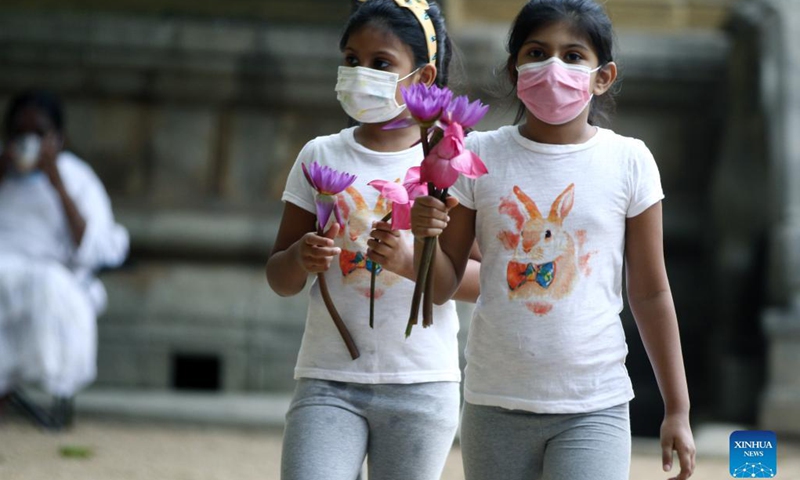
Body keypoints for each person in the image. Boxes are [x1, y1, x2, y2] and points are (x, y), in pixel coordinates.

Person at [410, 1, 696, 479]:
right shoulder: (475, 155)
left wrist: (678, 409)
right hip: (493, 403)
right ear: (514, 68)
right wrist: (424, 235)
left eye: (573, 55)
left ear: (602, 76)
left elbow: (649, 291)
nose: (553, 67)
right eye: (537, 51)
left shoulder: (629, 162)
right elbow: (441, 285)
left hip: (594, 406)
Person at [265, 1, 480, 479]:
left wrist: (409, 259)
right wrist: (300, 258)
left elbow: (483, 278)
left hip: (421, 385)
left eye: (381, 63)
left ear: (423, 78)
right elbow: (279, 277)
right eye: (351, 60)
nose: (361, 73)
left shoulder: (448, 160)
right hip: (327, 381)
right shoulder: (319, 154)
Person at [0, 90, 129, 401]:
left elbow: (97, 244)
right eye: (19, 133)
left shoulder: (77, 176)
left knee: (44, 287)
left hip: (53, 275)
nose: (27, 141)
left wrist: (57, 183)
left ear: (58, 138)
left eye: (38, 133)